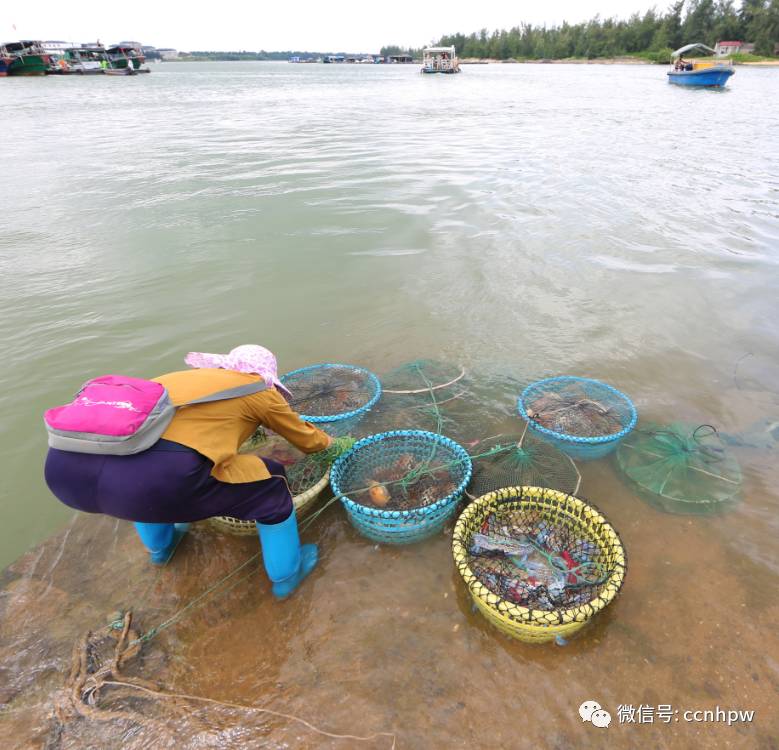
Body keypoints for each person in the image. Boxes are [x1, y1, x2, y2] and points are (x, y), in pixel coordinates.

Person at [44, 345, 335, 599]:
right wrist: (331, 442)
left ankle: (162, 550)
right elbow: (309, 441)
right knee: (272, 485)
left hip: (64, 472)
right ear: (266, 376)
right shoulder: (259, 390)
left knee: (132, 476)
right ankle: (287, 577)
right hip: (152, 482)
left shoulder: (176, 381)